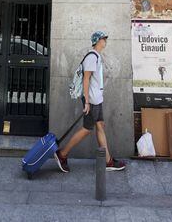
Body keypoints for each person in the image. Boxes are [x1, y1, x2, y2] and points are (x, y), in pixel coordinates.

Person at [54, 31, 126, 173]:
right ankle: (62, 154)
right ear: (97, 40)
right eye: (103, 38)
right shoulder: (92, 57)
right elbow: (86, 79)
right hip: (92, 100)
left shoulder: (97, 56)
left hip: (96, 99)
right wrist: (87, 102)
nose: (105, 41)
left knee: (100, 126)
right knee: (87, 129)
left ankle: (108, 161)